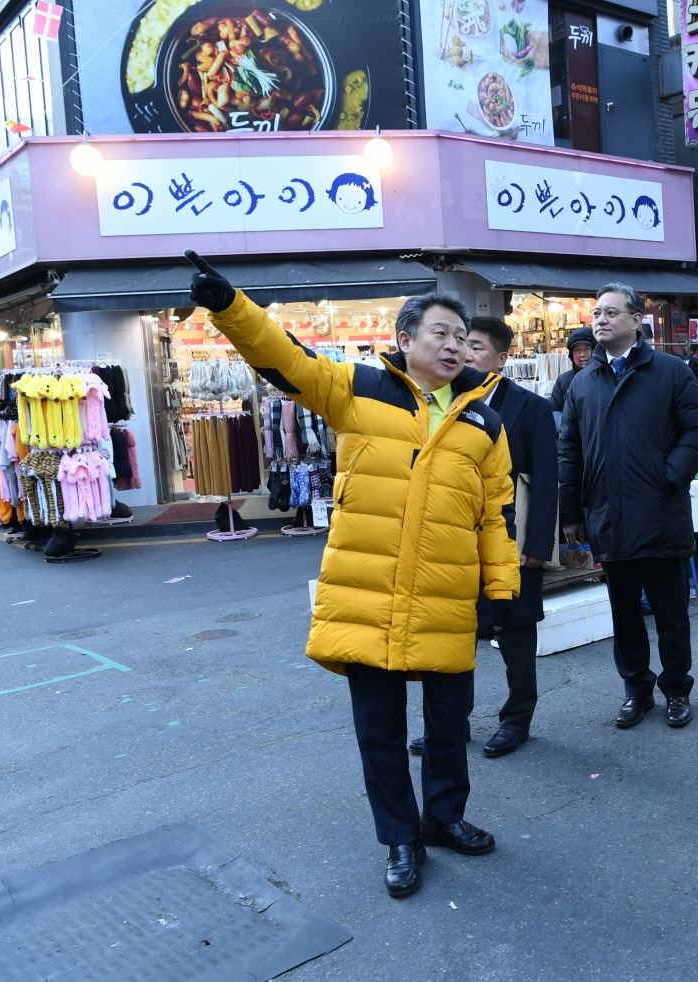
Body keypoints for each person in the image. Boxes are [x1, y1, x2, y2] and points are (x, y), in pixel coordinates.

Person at [188, 257, 519, 901]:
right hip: (366, 598)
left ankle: (444, 818)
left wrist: (501, 591)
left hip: (448, 599)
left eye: (461, 337)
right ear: (405, 340)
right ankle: (400, 837)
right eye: (440, 334)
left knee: (451, 726)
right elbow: (286, 358)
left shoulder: (486, 421)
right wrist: (231, 307)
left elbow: (495, 513)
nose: (453, 346)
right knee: (381, 731)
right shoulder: (357, 388)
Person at [558, 283, 698, 729]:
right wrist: (570, 512)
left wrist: (669, 475)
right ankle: (636, 690)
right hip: (606, 515)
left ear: (636, 320)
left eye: (610, 312)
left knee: (670, 613)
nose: (600, 320)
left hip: (659, 511)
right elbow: (569, 450)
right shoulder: (582, 383)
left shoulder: (670, 371)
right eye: (596, 314)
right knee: (623, 613)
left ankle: (677, 690)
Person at [409, 317, 558, 760]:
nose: (462, 352)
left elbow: (547, 479)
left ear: (501, 358)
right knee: (456, 638)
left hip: (509, 541)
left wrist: (536, 546)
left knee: (516, 635)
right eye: (456, 342)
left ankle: (517, 721)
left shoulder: (528, 407)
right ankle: (452, 724)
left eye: (472, 345)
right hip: (453, 543)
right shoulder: (441, 403)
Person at [548, 327, 595, 414]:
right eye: (577, 350)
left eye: (587, 348)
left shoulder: (606, 377)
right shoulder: (563, 381)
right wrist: (568, 425)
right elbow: (554, 411)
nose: (582, 354)